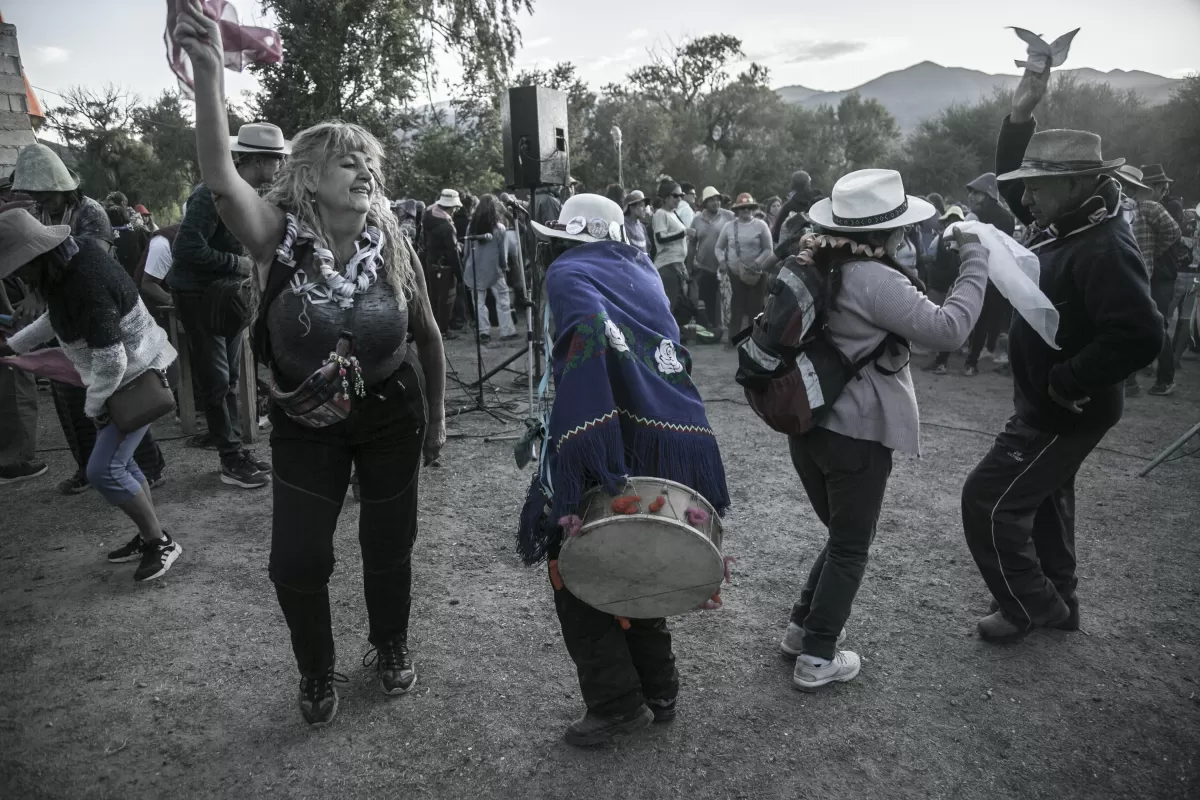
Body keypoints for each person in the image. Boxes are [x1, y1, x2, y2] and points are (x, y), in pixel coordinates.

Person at [175, 0, 447, 727]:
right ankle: (315, 669)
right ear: (308, 178)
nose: (361, 169)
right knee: (297, 560)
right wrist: (209, 74)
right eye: (344, 160)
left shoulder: (394, 241)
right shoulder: (275, 237)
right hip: (304, 419)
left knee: (388, 546)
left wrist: (439, 421)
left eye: (368, 161)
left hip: (392, 414)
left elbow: (426, 335)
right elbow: (219, 175)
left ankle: (389, 645)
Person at [962, 68, 1163, 644]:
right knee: (1044, 497)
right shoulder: (1068, 218)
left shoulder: (1103, 243)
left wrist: (1068, 380)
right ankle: (1061, 602)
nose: (1025, 197)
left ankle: (1032, 605)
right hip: (1049, 401)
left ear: (1076, 183)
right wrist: (1021, 115)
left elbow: (1140, 333)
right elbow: (1008, 185)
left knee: (987, 501)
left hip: (1064, 407)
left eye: (1039, 187)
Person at [523, 193, 729, 746]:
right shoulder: (642, 269)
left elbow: (590, 330)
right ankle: (659, 690)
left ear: (566, 237)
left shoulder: (566, 272)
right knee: (638, 551)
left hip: (606, 436)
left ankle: (615, 703)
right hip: (665, 433)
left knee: (577, 564)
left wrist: (582, 427)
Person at [780, 169, 988, 689]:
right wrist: (975, 262)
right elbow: (949, 330)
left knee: (843, 535)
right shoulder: (874, 279)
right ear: (889, 231)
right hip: (856, 430)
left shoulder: (816, 263)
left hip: (809, 421)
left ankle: (800, 632)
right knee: (851, 545)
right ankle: (817, 658)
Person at [0, 209, 181, 581]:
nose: (18, 276)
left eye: (19, 268)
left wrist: (95, 407)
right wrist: (15, 346)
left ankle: (160, 541)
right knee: (121, 464)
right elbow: (58, 319)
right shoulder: (67, 264)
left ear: (36, 256)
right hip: (124, 377)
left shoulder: (84, 278)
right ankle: (150, 536)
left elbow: (112, 358)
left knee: (102, 470)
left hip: (136, 379)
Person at [172, 122, 287, 489]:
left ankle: (235, 447)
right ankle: (230, 459)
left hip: (229, 298)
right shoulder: (211, 193)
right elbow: (187, 249)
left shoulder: (247, 194)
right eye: (276, 161)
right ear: (257, 160)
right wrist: (238, 264)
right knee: (217, 380)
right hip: (198, 296)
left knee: (232, 377)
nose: (280, 168)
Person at [1114, 165, 1183, 397]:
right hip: (1128, 276)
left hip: (1141, 277)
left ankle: (1161, 379)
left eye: (1124, 184)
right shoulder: (1117, 209)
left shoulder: (1149, 208)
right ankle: (1130, 381)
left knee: (1155, 326)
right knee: (1130, 326)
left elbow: (1173, 232)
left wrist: (1153, 252)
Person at [963, 172, 1017, 376]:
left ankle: (956, 360)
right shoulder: (1008, 218)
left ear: (988, 194)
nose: (972, 197)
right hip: (999, 273)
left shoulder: (974, 215)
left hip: (977, 269)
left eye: (976, 193)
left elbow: (963, 243)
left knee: (970, 315)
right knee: (988, 319)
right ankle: (972, 362)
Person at [12, 144, 113, 250]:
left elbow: (98, 257)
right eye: (31, 192)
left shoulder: (90, 211)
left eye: (43, 193)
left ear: (62, 189)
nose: (37, 198)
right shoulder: (34, 212)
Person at [652, 179, 713, 342]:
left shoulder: (674, 214)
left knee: (678, 305)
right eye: (675, 195)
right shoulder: (660, 214)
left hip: (677, 265)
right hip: (666, 266)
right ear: (665, 197)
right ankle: (663, 339)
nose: (679, 199)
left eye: (681, 195)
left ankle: (673, 336)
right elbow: (660, 237)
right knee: (669, 305)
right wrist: (684, 232)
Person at [715, 193, 772, 336]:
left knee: (756, 309)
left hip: (756, 275)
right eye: (742, 208)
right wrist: (721, 261)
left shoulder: (761, 225)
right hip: (735, 274)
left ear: (753, 209)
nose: (746, 210)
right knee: (736, 308)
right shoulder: (729, 226)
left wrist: (757, 263)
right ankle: (733, 339)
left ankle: (755, 341)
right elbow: (718, 247)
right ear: (737, 210)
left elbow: (768, 249)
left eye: (748, 208)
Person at [464, 194, 517, 343]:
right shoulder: (500, 228)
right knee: (503, 300)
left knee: (479, 303)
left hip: (474, 268)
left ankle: (483, 332)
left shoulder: (471, 226)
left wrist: (464, 265)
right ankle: (507, 331)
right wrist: (504, 267)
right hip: (494, 270)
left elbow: (467, 250)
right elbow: (502, 253)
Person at [925, 206, 967, 374]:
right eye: (950, 220)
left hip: (948, 284)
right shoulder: (952, 240)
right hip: (947, 283)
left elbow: (931, 257)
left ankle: (941, 360)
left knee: (943, 321)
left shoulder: (947, 239)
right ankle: (941, 358)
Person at [687, 187, 733, 339]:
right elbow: (692, 244)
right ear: (705, 203)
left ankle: (729, 331)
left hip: (726, 267)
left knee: (727, 301)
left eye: (718, 199)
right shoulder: (697, 219)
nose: (716, 202)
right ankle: (711, 333)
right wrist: (689, 266)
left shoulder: (729, 216)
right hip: (704, 267)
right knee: (707, 302)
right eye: (712, 200)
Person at [423, 190, 463, 339]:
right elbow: (453, 252)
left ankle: (433, 329)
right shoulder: (447, 226)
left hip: (431, 262)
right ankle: (443, 331)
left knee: (433, 298)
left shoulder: (428, 217)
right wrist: (460, 275)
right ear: (451, 207)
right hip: (445, 266)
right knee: (447, 300)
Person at [771, 170, 822, 243]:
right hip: (820, 242)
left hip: (797, 247)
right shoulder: (818, 199)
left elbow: (776, 232)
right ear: (808, 183)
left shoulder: (788, 207)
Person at [108, 206, 150, 280]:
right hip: (136, 279)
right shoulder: (139, 234)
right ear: (126, 217)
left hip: (115, 279)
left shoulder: (107, 238)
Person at [623, 190, 650, 254]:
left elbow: (648, 249)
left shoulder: (642, 226)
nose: (645, 209)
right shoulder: (623, 225)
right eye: (641, 205)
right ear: (632, 207)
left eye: (645, 206)